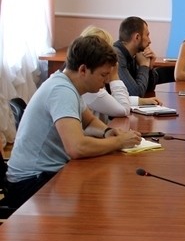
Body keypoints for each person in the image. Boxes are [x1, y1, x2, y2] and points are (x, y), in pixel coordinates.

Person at [4, 36, 142, 207]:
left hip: (40, 175)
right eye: (103, 75)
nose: (106, 81)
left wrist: (107, 132)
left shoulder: (67, 84)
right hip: (31, 182)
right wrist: (119, 142)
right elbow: (76, 147)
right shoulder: (61, 91)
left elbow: (89, 122)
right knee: (102, 196)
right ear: (83, 70)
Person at [80, 26, 161, 122]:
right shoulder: (90, 86)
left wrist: (141, 101)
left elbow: (110, 100)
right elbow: (123, 109)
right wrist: (114, 76)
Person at [114, 16, 173, 96]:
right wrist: (144, 66)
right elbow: (136, 93)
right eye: (147, 35)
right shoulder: (116, 56)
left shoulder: (135, 55)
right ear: (137, 37)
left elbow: (149, 89)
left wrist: (149, 68)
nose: (150, 41)